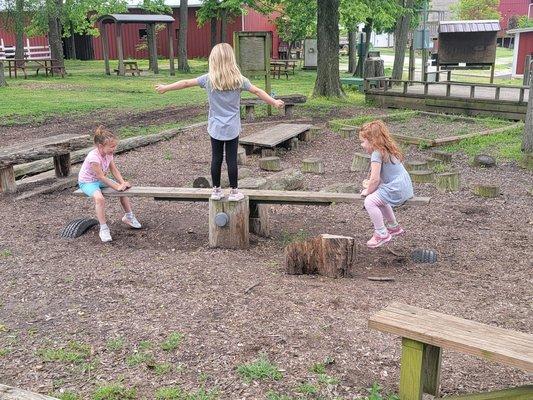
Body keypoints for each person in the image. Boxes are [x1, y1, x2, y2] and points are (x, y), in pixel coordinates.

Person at [155, 43, 285, 201]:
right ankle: (234, 192)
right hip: (232, 127)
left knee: (216, 158)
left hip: (215, 127)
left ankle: (216, 191)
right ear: (231, 59)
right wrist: (274, 102)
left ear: (213, 60)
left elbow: (185, 83)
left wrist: (166, 87)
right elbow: (257, 91)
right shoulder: (239, 80)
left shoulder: (208, 79)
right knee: (231, 159)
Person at [78, 126, 141, 243]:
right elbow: (100, 176)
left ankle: (129, 216)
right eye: (112, 146)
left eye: (115, 146)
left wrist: (122, 183)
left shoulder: (108, 154)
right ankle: (104, 228)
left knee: (123, 191)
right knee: (99, 199)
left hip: (100, 181)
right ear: (101, 146)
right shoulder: (93, 157)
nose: (114, 149)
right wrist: (116, 186)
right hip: (88, 182)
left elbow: (114, 170)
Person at [359, 120, 413, 248]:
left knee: (370, 201)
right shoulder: (387, 150)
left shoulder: (376, 154)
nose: (362, 145)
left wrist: (368, 191)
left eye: (363, 141)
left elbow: (375, 180)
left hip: (396, 189)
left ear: (372, 141)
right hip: (405, 187)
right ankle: (393, 226)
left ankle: (381, 233)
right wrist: (371, 187)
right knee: (380, 198)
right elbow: (385, 177)